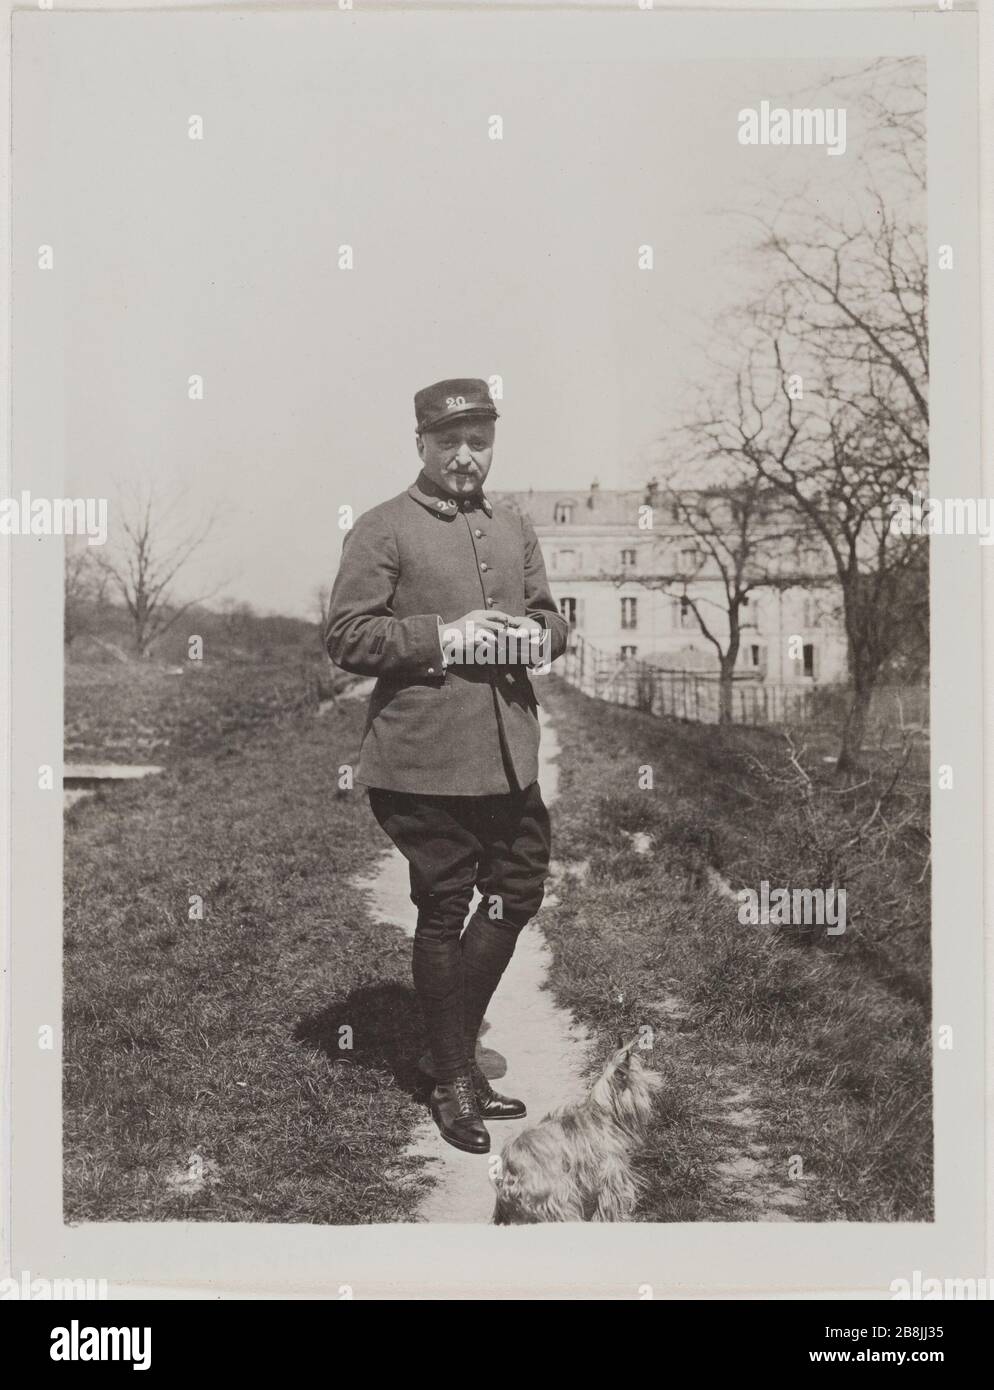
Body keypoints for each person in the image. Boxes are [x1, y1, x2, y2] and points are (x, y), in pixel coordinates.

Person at [325, 378, 569, 1154]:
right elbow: (347, 637)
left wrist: (540, 638)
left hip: (508, 756)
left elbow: (548, 613)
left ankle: (441, 1047)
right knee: (442, 906)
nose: (467, 458)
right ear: (422, 446)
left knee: (518, 886)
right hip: (421, 760)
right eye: (450, 443)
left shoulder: (512, 523)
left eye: (480, 442)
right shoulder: (383, 528)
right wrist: (445, 637)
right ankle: (454, 1078)